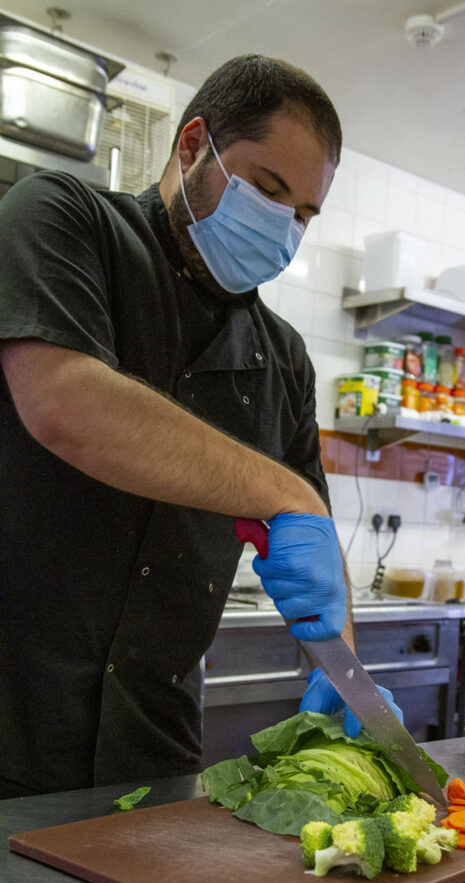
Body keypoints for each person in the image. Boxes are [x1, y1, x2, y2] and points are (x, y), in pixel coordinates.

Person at [0, 54, 401, 799]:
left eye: (303, 215)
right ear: (192, 147)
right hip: (13, 718)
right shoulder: (60, 217)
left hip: (153, 740)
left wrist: (343, 670)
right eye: (267, 190)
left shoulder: (282, 356)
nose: (282, 228)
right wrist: (285, 494)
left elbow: (307, 534)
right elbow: (66, 403)